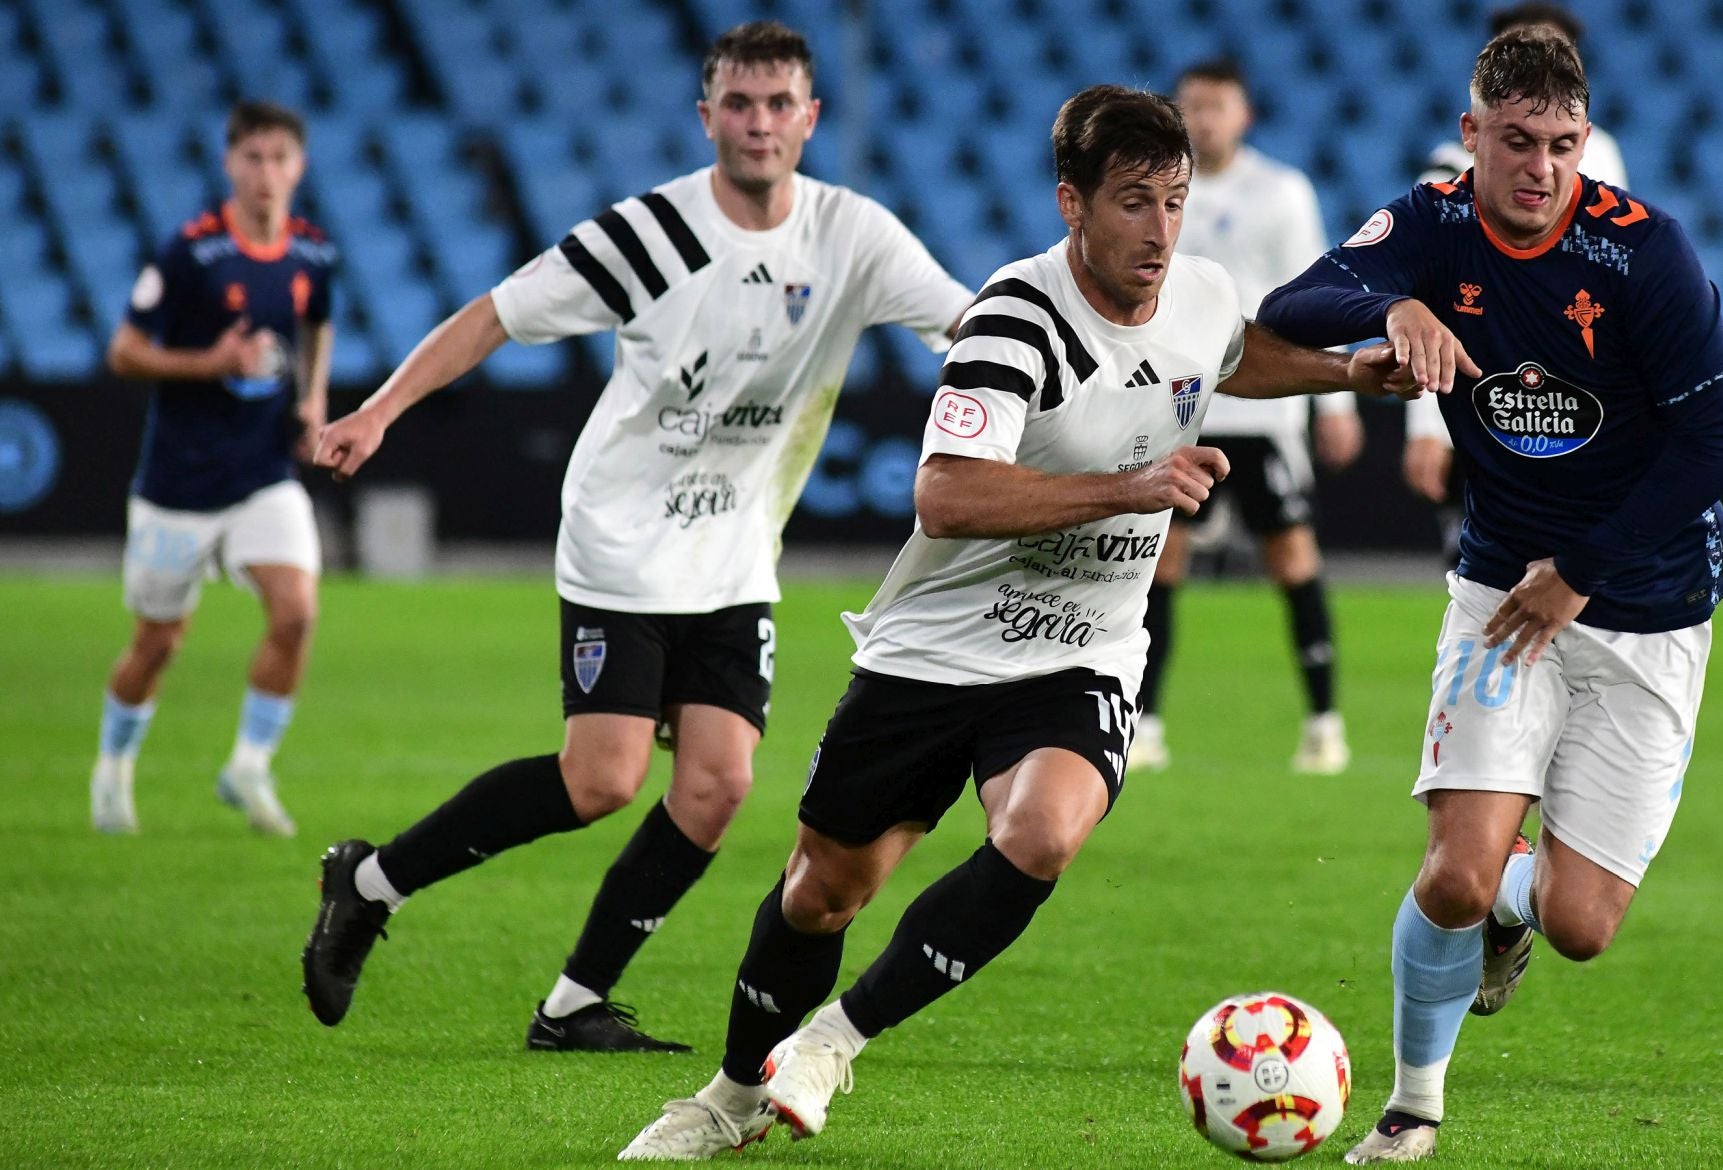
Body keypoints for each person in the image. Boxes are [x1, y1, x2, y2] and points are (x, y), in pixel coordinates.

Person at [616, 83, 1416, 1162]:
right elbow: (946, 495)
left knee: (1041, 831)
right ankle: (726, 1096)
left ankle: (835, 1041)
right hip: (936, 646)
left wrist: (1343, 375)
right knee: (821, 893)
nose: (1161, 231)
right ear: (1071, 204)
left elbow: (1227, 353)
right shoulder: (1015, 316)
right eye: (1133, 204)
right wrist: (1129, 487)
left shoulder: (1200, 288)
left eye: (1175, 202)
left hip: (1081, 643)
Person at [298, 21, 973, 1053]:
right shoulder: (649, 235)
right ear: (707, 118)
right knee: (602, 781)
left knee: (718, 786)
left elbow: (968, 331)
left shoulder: (853, 237)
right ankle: (371, 881)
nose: (758, 124)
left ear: (810, 117)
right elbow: (494, 313)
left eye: (778, 103)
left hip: (736, 553)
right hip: (620, 538)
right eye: (738, 105)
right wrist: (380, 412)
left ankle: (573, 1006)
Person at [1257, 27, 1723, 1164]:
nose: (1541, 169)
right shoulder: (1429, 224)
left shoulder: (1648, 255)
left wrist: (1581, 572)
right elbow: (1290, 308)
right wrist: (1391, 310)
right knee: (1455, 872)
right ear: (1470, 134)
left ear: (1587, 141)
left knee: (1580, 925)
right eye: (1517, 141)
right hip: (1496, 596)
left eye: (1563, 145)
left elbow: (1716, 450)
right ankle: (1412, 1104)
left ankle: (1518, 917)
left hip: (1649, 604)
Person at [90, 100, 336, 838]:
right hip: (178, 485)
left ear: (300, 166)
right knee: (159, 642)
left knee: (296, 613)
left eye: (280, 158)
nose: (266, 173)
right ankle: (112, 769)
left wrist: (314, 398)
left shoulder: (313, 254)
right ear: (230, 163)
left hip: (262, 475)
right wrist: (211, 362)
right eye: (253, 158)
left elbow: (318, 320)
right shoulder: (190, 253)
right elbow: (124, 352)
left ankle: (249, 767)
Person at [1129, 58, 1361, 775]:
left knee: (1292, 559)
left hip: (1265, 412)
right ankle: (1144, 723)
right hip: (1181, 408)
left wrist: (1337, 399)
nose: (1204, 119)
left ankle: (1324, 723)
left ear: (1244, 114)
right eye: (1192, 105)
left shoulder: (1282, 192)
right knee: (1159, 565)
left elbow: (1321, 297)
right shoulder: (1157, 190)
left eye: (1217, 106)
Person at [1404, 2, 1630, 529]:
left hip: (1576, 391)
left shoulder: (1603, 158)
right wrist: (1427, 427)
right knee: (1474, 565)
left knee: (1568, 570)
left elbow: (1617, 284)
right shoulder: (1446, 170)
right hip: (1478, 385)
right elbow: (1425, 303)